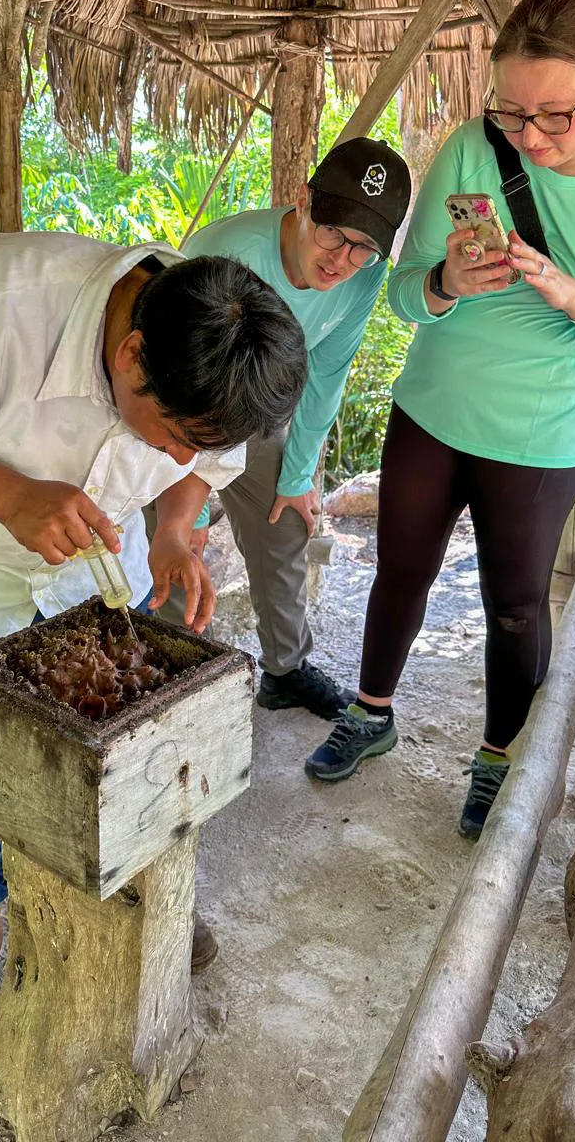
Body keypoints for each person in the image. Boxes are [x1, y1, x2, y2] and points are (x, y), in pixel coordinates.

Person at [0, 232, 307, 1058]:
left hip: (92, 582)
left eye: (201, 442)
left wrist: (176, 529)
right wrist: (8, 493)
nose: (184, 456)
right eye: (173, 432)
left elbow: (203, 464)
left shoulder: (218, 361)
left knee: (118, 737)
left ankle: (133, 884)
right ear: (130, 352)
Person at [305, 0, 575, 840]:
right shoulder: (471, 145)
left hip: (542, 430)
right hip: (434, 406)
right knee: (399, 571)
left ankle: (499, 758)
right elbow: (404, 296)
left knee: (517, 605)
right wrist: (446, 283)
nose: (527, 137)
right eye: (510, 113)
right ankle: (371, 713)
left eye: (553, 116)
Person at [168, 138, 411, 719]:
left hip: (258, 417)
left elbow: (328, 371)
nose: (341, 260)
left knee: (285, 531)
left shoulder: (363, 276)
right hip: (181, 417)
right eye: (333, 232)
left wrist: (297, 473)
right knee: (181, 549)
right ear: (303, 201)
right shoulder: (225, 252)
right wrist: (193, 508)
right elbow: (173, 384)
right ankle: (177, 682)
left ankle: (285, 670)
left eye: (363, 249)